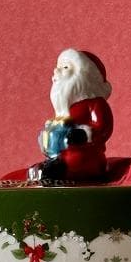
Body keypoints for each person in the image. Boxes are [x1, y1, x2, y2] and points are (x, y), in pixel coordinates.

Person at [29, 48, 113, 182]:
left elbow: (104, 127)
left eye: (65, 67)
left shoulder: (95, 103)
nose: (56, 72)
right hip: (59, 156)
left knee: (76, 161)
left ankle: (59, 170)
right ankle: (51, 167)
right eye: (57, 68)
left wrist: (84, 135)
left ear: (84, 75)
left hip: (85, 156)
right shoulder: (64, 108)